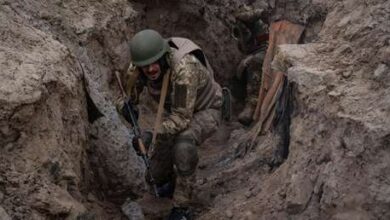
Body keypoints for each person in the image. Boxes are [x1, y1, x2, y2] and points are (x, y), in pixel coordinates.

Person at [117, 29, 224, 219]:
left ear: (163, 56)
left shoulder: (184, 68)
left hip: (207, 109)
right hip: (176, 112)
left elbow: (182, 118)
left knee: (183, 145)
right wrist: (126, 108)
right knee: (155, 178)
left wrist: (151, 135)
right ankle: (167, 185)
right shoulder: (137, 67)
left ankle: (182, 207)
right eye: (145, 66)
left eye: (154, 64)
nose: (150, 70)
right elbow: (126, 97)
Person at [232, 4, 269, 126]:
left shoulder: (253, 17)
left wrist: (260, 13)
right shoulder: (239, 22)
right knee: (239, 69)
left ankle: (251, 105)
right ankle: (236, 103)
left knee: (254, 62)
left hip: (267, 49)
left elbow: (247, 15)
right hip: (254, 51)